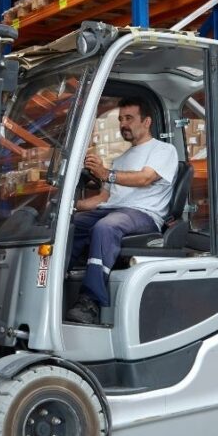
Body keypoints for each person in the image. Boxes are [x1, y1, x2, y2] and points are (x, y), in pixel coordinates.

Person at [66, 98, 178, 325]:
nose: (123, 124)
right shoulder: (120, 159)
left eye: (129, 118)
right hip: (113, 210)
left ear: (146, 122)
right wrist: (68, 205)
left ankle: (90, 302)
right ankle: (57, 282)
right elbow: (103, 198)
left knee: (107, 226)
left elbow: (145, 178)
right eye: (120, 120)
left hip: (144, 214)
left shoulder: (164, 150)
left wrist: (106, 174)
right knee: (71, 224)